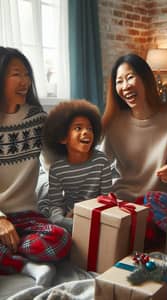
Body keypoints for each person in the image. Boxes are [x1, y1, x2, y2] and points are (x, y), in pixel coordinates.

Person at [0, 47, 71, 286]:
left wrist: (71, 200)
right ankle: (25, 264)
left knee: (60, 238)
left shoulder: (37, 118)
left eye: (27, 74)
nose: (25, 81)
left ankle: (8, 253)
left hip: (25, 216)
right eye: (16, 74)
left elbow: (54, 166)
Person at [101, 53, 167, 202]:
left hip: (157, 202)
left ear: (145, 79)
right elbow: (100, 165)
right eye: (119, 81)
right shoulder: (114, 122)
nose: (125, 86)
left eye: (130, 77)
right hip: (121, 200)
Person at [39, 100, 112, 232]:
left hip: (96, 215)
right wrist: (61, 219)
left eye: (89, 128)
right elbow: (55, 204)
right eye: (78, 128)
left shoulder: (102, 161)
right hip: (68, 219)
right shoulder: (57, 169)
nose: (86, 132)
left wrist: (85, 215)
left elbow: (107, 199)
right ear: (63, 138)